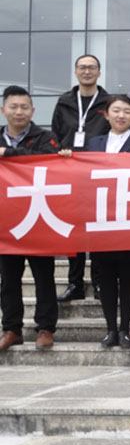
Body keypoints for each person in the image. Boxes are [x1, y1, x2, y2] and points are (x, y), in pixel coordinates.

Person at [81, 95, 130, 349]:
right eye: (116, 111)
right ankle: (110, 328)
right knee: (106, 277)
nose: (121, 115)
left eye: (126, 112)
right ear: (106, 115)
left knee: (128, 276)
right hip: (102, 220)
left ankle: (125, 329)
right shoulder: (94, 144)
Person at [0, 85, 60, 351]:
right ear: (3, 110)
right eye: (13, 107)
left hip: (38, 218)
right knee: (8, 279)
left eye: (24, 107)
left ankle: (45, 328)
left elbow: (48, 159)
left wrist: (8, 154)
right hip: (6, 222)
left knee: (44, 277)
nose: (19, 112)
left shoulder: (46, 137)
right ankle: (11, 329)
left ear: (33, 111)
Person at [52, 54, 110, 303]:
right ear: (76, 72)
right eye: (82, 68)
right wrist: (59, 151)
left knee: (96, 229)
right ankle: (75, 283)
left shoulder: (108, 102)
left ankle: (98, 282)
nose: (87, 71)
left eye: (92, 68)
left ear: (99, 72)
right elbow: (55, 133)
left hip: (97, 172)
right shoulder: (64, 101)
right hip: (70, 170)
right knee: (74, 228)